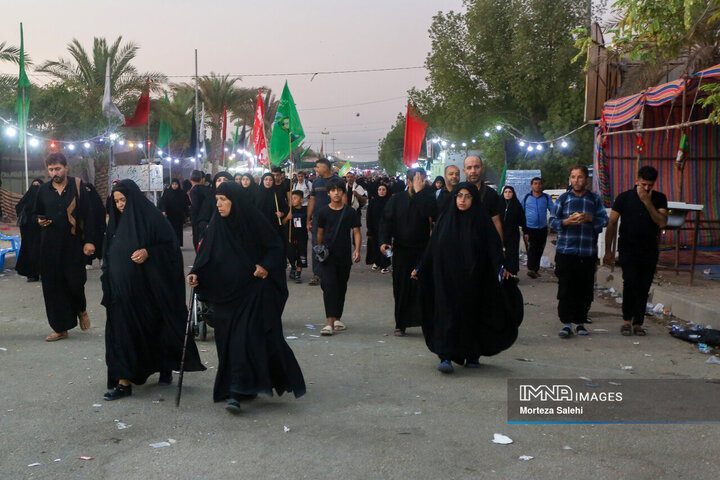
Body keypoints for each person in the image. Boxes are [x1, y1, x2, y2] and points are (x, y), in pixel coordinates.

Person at [187, 181, 305, 413]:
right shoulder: (216, 225)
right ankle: (240, 386)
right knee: (227, 343)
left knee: (242, 340)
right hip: (224, 295)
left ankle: (236, 391)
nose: (218, 204)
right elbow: (206, 255)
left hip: (251, 292)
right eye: (217, 200)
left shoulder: (253, 220)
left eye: (223, 200)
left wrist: (265, 266)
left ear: (235, 201)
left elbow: (275, 247)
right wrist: (195, 273)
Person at [101, 180, 205, 400]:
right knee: (121, 334)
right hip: (120, 294)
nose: (120, 205)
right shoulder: (116, 225)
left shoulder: (152, 219)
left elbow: (170, 249)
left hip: (147, 293)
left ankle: (164, 366)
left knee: (153, 330)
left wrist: (149, 252)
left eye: (123, 200)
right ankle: (123, 382)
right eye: (116, 201)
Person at [413, 182, 522, 373]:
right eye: (459, 196)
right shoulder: (445, 220)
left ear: (474, 199)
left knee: (472, 314)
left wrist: (501, 267)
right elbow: (433, 247)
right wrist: (421, 268)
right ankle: (445, 355)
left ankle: (472, 353)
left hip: (474, 279)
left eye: (467, 196)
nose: (462, 200)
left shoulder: (481, 221)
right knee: (446, 314)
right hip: (446, 278)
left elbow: (493, 247)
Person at [31, 153, 98, 341]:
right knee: (53, 288)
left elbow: (88, 215)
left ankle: (81, 309)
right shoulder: (43, 190)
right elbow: (36, 213)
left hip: (73, 244)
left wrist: (90, 241)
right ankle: (60, 328)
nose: (55, 173)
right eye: (51, 170)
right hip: (50, 246)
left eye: (58, 169)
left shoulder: (77, 186)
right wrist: (39, 221)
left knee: (75, 283)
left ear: (66, 167)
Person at [603, 166, 668, 336]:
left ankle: (638, 322)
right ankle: (626, 321)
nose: (647, 188)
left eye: (650, 185)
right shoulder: (624, 198)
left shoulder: (659, 199)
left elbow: (662, 222)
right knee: (630, 283)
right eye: (644, 184)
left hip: (649, 250)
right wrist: (608, 251)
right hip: (628, 248)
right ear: (637, 180)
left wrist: (647, 202)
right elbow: (612, 223)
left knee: (643, 286)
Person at [550, 165, 609, 338]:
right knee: (566, 289)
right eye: (573, 177)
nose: (576, 180)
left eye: (580, 177)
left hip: (587, 252)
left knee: (584, 290)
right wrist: (566, 222)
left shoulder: (594, 199)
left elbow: (603, 221)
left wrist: (590, 219)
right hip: (565, 251)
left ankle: (580, 322)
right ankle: (566, 323)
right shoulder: (563, 199)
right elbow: (552, 221)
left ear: (586, 179)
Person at [379, 168, 437, 336]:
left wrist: (420, 193)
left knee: (424, 287)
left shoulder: (429, 198)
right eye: (419, 179)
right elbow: (386, 222)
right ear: (409, 181)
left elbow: (430, 213)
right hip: (402, 250)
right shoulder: (397, 200)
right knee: (401, 287)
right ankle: (401, 322)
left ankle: (426, 322)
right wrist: (384, 241)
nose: (423, 182)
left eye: (424, 179)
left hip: (423, 249)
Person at [316, 178, 362, 336]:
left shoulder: (350, 212)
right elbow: (319, 233)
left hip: (344, 255)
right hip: (328, 256)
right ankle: (329, 321)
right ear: (328, 193)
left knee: (341, 286)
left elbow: (356, 231)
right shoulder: (322, 212)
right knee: (329, 285)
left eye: (339, 190)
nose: (336, 193)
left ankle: (337, 318)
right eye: (333, 190)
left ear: (343, 192)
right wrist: (319, 251)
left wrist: (357, 250)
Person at [306, 158, 337, 286]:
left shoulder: (337, 181)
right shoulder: (316, 182)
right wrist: (308, 219)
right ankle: (317, 274)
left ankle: (332, 274)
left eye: (318, 167)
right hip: (317, 220)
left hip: (333, 219)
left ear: (326, 168)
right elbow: (312, 200)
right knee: (316, 247)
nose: (316, 169)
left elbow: (343, 199)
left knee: (333, 246)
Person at [463, 155, 503, 240]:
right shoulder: (457, 193)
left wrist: (499, 247)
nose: (473, 171)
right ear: (464, 171)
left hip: (485, 243)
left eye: (476, 167)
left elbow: (496, 221)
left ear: (482, 168)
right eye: (469, 168)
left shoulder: (491, 194)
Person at [521, 177, 554, 279]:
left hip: (542, 229)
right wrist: (524, 230)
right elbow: (521, 214)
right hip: (529, 229)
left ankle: (535, 269)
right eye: (535, 183)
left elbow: (553, 210)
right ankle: (531, 269)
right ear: (531, 186)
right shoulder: (526, 198)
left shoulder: (546, 198)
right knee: (531, 249)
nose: (537, 185)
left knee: (540, 249)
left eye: (539, 183)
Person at [15, 178, 44, 282]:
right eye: (34, 185)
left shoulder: (45, 199)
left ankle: (41, 273)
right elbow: (19, 208)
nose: (35, 188)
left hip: (40, 232)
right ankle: (32, 274)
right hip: (29, 233)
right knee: (31, 252)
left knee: (41, 251)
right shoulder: (27, 200)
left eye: (38, 186)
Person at [255, 172, 290, 240]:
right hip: (260, 225)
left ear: (273, 182)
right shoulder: (256, 194)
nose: (268, 182)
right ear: (262, 181)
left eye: (270, 180)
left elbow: (285, 208)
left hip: (274, 225)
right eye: (266, 179)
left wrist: (282, 213)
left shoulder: (277, 194)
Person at [500, 186, 526, 276]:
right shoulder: (498, 204)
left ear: (513, 193)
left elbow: (522, 220)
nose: (507, 194)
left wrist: (525, 231)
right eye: (505, 192)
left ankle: (512, 273)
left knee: (512, 253)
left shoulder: (517, 205)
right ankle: (501, 272)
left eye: (510, 192)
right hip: (500, 232)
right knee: (500, 252)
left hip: (513, 234)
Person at [366, 183, 391, 273]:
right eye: (379, 189)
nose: (381, 191)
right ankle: (376, 262)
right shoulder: (373, 202)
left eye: (383, 189)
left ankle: (386, 264)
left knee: (387, 246)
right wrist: (369, 229)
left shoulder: (390, 202)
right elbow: (369, 216)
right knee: (375, 245)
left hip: (387, 228)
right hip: (375, 227)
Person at [159, 179, 190, 246]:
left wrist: (187, 215)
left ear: (178, 185)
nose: (174, 186)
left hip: (179, 215)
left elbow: (185, 204)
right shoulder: (167, 192)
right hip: (169, 214)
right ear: (171, 185)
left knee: (178, 230)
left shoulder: (182, 193)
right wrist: (163, 211)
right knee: (170, 229)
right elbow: (163, 202)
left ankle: (178, 244)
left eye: (176, 184)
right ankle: (171, 243)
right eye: (173, 184)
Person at [288, 190, 308, 283]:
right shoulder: (289, 210)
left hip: (302, 237)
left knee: (301, 255)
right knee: (291, 254)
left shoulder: (306, 210)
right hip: (291, 237)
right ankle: (293, 267)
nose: (293, 200)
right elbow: (283, 222)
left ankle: (298, 274)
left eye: (295, 198)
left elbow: (310, 221)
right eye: (291, 199)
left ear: (301, 200)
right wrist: (287, 217)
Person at [189, 170, 210, 251]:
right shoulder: (206, 188)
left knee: (197, 239)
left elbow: (195, 205)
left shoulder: (194, 190)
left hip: (197, 218)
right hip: (206, 218)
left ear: (191, 179)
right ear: (201, 179)